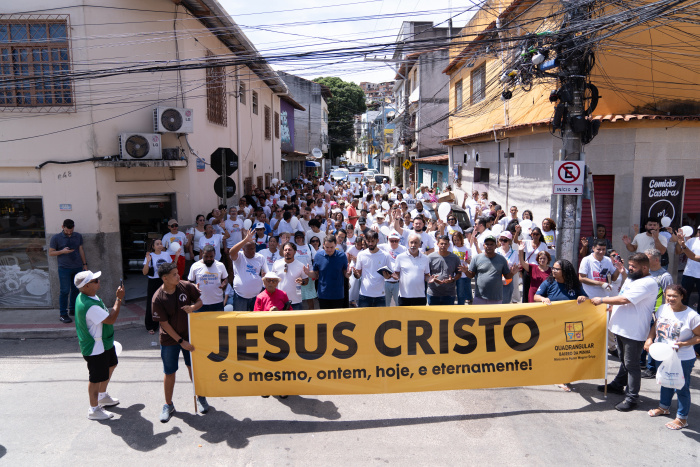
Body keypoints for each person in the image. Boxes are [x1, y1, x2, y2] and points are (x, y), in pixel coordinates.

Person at [592, 253, 659, 412]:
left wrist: (601, 300)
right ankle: (618, 384)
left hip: (633, 331)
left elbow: (625, 300)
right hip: (620, 327)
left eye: (633, 267)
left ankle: (632, 398)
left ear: (644, 267)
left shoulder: (648, 283)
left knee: (632, 365)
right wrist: (612, 305)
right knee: (624, 360)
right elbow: (621, 294)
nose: (630, 269)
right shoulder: (632, 277)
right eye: (629, 266)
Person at [151, 262, 207, 422]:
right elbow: (164, 324)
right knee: (169, 372)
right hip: (170, 339)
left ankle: (200, 396)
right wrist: (181, 341)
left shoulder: (186, 286)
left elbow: (200, 302)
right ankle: (168, 405)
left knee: (193, 368)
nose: (178, 276)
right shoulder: (158, 298)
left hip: (189, 334)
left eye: (178, 273)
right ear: (165, 278)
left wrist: (193, 307)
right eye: (175, 274)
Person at [645, 285, 700, 430]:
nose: (671, 299)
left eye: (675, 296)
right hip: (663, 354)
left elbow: (699, 337)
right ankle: (664, 407)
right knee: (665, 380)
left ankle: (682, 418)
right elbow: (655, 326)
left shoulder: (691, 316)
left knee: (681, 386)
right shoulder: (662, 308)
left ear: (682, 296)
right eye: (668, 295)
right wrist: (649, 339)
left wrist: (683, 344)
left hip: (682, 357)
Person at [74, 270, 125, 420]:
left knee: (112, 364)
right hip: (95, 348)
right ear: (87, 285)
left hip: (104, 343)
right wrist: (119, 299)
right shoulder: (89, 305)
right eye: (95, 280)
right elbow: (110, 319)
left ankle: (102, 396)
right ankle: (93, 409)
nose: (98, 281)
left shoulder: (87, 295)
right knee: (95, 378)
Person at [534, 259, 588, 392]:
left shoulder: (574, 285)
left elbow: (585, 298)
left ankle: (564, 377)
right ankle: (555, 374)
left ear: (565, 272)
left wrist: (582, 298)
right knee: (554, 349)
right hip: (553, 323)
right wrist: (543, 299)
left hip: (571, 324)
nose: (553, 271)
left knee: (567, 351)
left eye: (557, 269)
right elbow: (536, 296)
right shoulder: (549, 282)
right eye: (553, 268)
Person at [49, 219, 88, 323]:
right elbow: (51, 253)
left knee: (76, 289)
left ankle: (73, 309)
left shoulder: (78, 236)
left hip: (77, 267)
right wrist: (62, 251)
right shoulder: (56, 238)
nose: (69, 233)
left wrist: (85, 264)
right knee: (65, 291)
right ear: (62, 227)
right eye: (67, 231)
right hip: (64, 268)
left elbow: (81, 249)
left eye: (71, 230)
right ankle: (63, 314)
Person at [464, 235, 517, 305]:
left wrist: (512, 273)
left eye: (491, 244)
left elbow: (507, 276)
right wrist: (466, 271)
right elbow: (471, 275)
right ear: (483, 245)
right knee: (479, 316)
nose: (489, 246)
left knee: (495, 316)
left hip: (496, 298)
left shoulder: (502, 259)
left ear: (496, 246)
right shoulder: (476, 258)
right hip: (479, 297)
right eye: (487, 244)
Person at [303, 234, 351, 309]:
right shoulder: (318, 256)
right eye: (326, 247)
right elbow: (316, 274)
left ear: (335, 245)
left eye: (331, 247)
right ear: (323, 245)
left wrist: (348, 274)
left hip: (338, 294)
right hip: (323, 295)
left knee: (337, 319)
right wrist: (308, 273)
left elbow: (346, 273)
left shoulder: (342, 256)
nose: (329, 250)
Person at [143, 239, 178, 335]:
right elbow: (144, 272)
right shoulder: (150, 256)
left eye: (160, 243)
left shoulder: (166, 254)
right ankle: (151, 326)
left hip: (164, 280)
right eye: (157, 244)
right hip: (153, 281)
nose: (159, 245)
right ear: (153, 246)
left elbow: (172, 267)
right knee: (152, 303)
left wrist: (177, 256)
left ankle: (168, 325)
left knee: (167, 301)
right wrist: (147, 262)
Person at [229, 229, 267, 311]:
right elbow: (231, 252)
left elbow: (266, 272)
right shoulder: (239, 256)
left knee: (256, 320)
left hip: (256, 296)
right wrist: (245, 240)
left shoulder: (260, 257)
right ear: (243, 249)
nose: (252, 251)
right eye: (249, 249)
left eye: (253, 248)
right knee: (240, 320)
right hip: (240, 297)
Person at [353, 231, 391, 308]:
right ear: (366, 241)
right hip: (364, 295)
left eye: (372, 241)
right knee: (363, 320)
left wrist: (387, 276)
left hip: (380, 295)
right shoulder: (361, 254)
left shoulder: (385, 255)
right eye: (368, 241)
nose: (370, 243)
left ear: (377, 240)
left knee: (380, 320)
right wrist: (355, 273)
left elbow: (389, 275)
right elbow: (358, 275)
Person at [187, 245, 228, 311]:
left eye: (211, 256)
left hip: (217, 303)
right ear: (202, 254)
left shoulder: (221, 265)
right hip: (200, 303)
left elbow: (225, 279)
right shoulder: (195, 266)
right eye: (206, 256)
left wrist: (224, 283)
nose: (209, 259)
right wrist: (194, 286)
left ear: (214, 255)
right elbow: (190, 282)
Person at [394, 232, 431, 305]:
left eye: (416, 243)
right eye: (411, 242)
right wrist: (395, 277)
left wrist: (429, 279)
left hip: (420, 296)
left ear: (420, 244)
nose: (413, 245)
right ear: (408, 243)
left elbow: (426, 275)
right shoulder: (400, 257)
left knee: (419, 317)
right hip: (404, 296)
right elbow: (397, 274)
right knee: (404, 316)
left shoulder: (425, 258)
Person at [271, 242, 308, 310]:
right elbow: (272, 280)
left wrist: (302, 282)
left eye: (290, 250)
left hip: (295, 302)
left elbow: (306, 281)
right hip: (279, 301)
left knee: (296, 321)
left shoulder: (301, 266)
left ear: (295, 252)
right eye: (285, 250)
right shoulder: (276, 264)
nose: (287, 252)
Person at [426, 235, 461, 305]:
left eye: (445, 244)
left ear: (449, 245)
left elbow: (459, 274)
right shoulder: (430, 257)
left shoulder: (455, 258)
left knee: (448, 316)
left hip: (449, 294)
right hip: (433, 293)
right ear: (437, 244)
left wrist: (453, 279)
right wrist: (434, 279)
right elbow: (426, 273)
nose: (443, 245)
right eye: (441, 243)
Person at [379, 231, 406, 306]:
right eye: (391, 241)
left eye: (396, 241)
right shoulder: (383, 247)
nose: (394, 243)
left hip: (398, 282)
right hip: (386, 281)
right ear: (388, 239)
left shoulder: (403, 249)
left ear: (399, 240)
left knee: (398, 304)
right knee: (386, 305)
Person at [496, 231, 518, 304]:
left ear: (509, 241)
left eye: (505, 240)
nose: (502, 242)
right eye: (501, 239)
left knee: (505, 302)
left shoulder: (514, 253)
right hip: (496, 280)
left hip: (507, 280)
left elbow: (516, 267)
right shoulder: (496, 251)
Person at [451, 231, 472, 305]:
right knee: (452, 293)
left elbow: (470, 262)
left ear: (461, 239)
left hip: (463, 274)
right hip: (453, 273)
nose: (456, 242)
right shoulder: (452, 248)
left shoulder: (466, 248)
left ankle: (461, 306)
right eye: (455, 240)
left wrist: (467, 260)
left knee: (461, 293)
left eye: (458, 240)